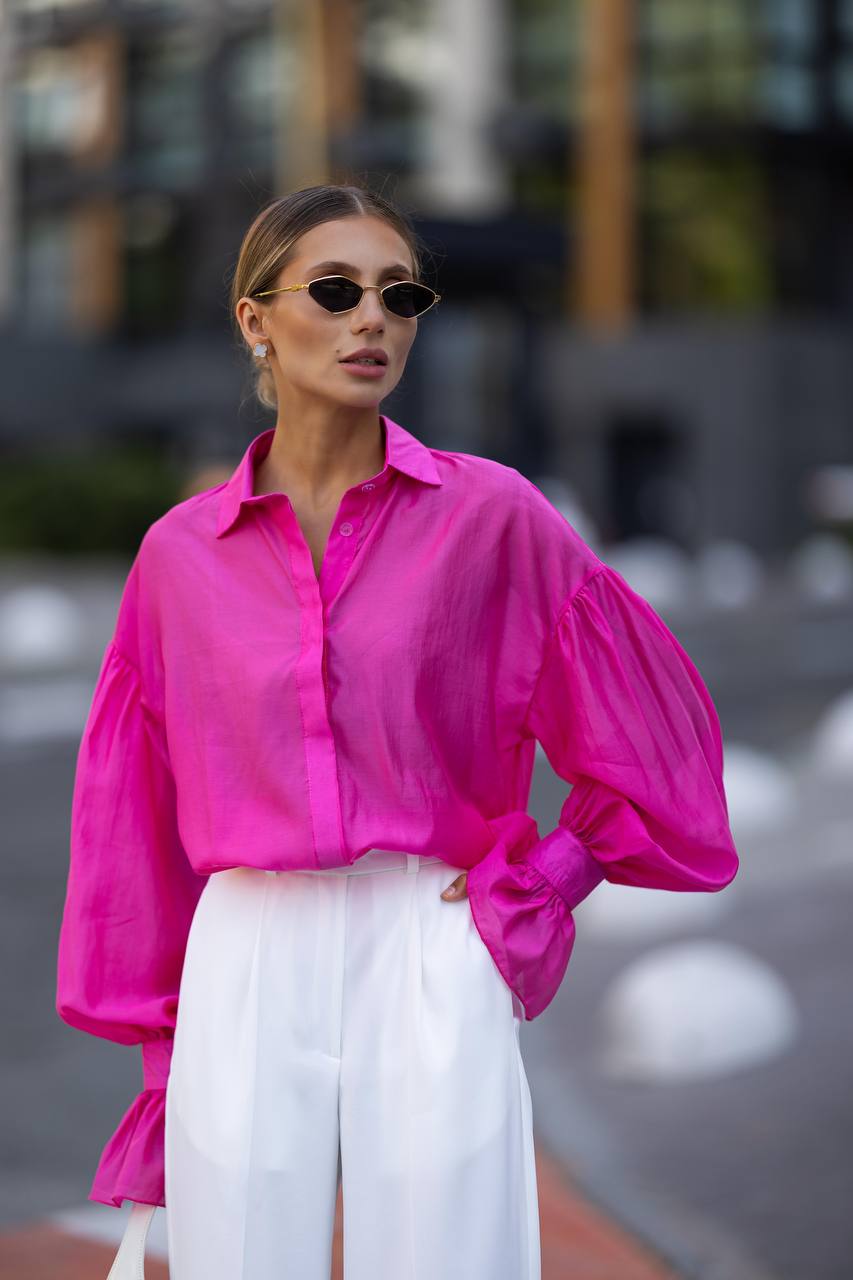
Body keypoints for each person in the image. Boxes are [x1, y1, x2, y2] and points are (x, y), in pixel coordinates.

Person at [55, 182, 740, 1280]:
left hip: (431, 932)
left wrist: (549, 874)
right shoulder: (178, 557)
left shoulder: (492, 518)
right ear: (255, 318)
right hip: (247, 949)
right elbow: (129, 818)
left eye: (399, 293)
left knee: (448, 1258)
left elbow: (650, 735)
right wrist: (157, 1054)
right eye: (334, 290)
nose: (371, 318)